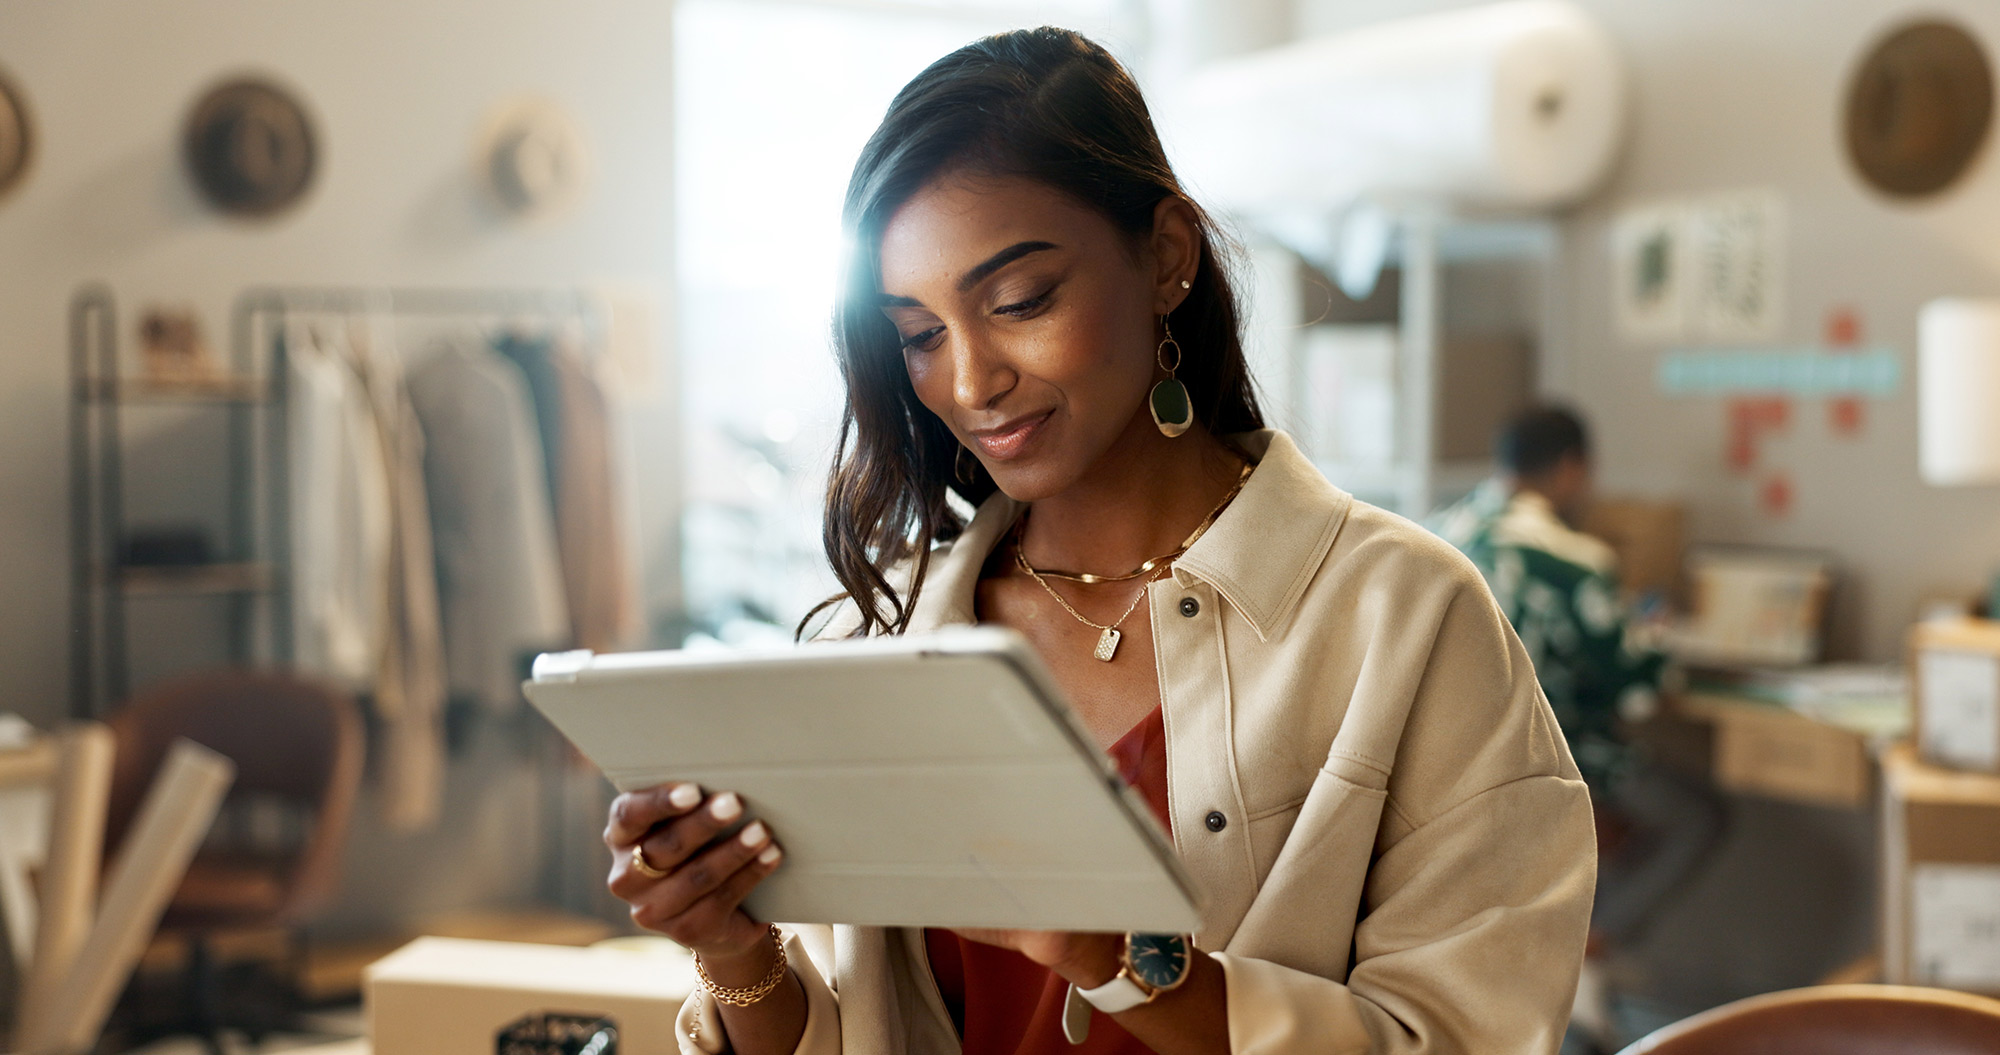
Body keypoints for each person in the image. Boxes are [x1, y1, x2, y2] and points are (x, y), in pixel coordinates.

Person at [605, 29, 1594, 1055]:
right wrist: (733, 949)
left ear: (1165, 254)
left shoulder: (1404, 617)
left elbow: (1470, 1033)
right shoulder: (884, 634)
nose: (970, 380)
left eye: (1019, 301)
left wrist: (1115, 955)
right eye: (919, 334)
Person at [1430, 407, 1721, 976]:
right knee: (1697, 818)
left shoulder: (1435, 533)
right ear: (1570, 468)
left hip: (1445, 770)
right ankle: (1585, 943)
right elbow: (1634, 687)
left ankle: (1559, 940)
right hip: (1544, 764)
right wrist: (1656, 634)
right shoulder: (1571, 559)